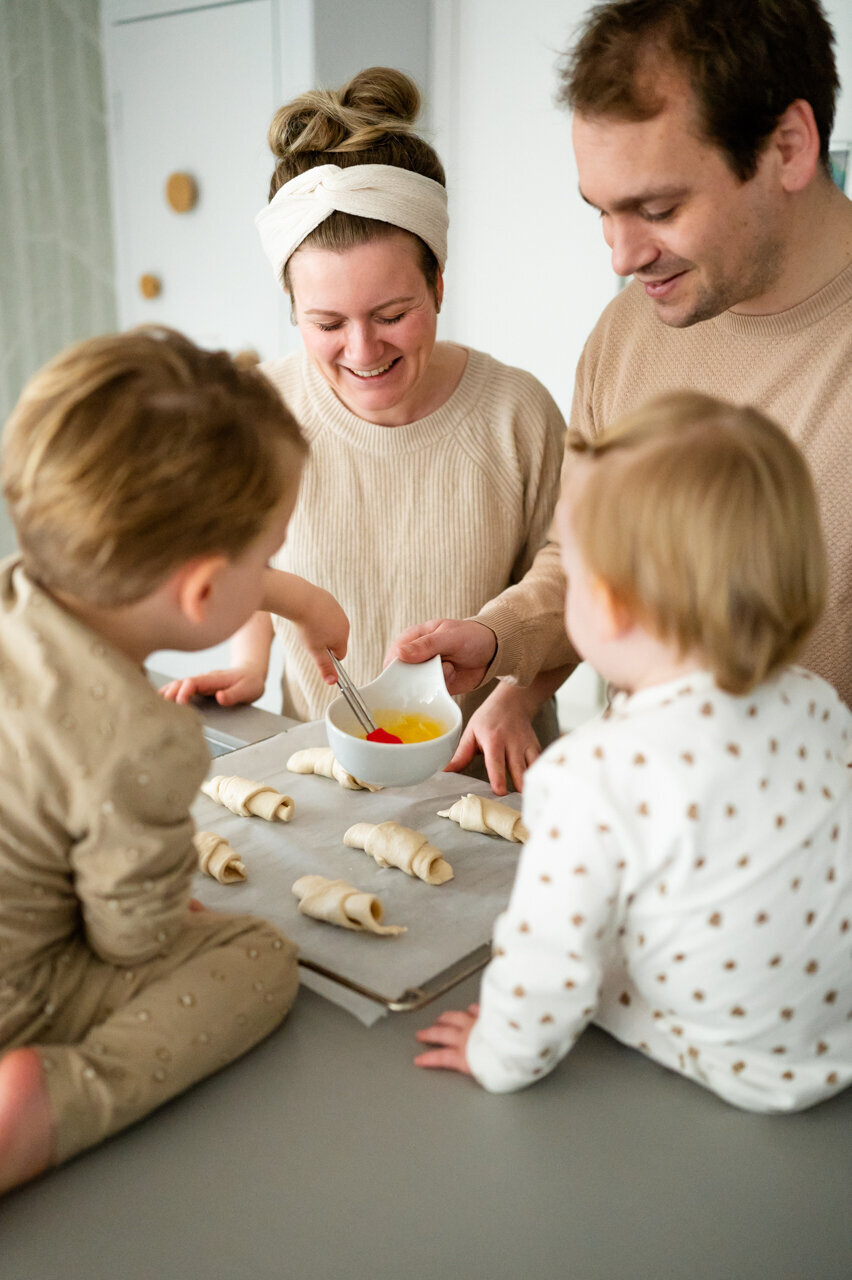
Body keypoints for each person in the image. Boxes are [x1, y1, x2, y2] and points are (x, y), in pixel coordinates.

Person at [392, 0, 852, 775]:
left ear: (789, 146)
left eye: (659, 209)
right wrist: (502, 636)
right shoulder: (628, 335)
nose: (621, 255)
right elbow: (588, 557)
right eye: (602, 212)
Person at [415, 391, 852, 1112]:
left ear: (608, 603)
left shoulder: (592, 774)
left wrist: (497, 1050)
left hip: (732, 1060)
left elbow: (548, 958)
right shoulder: (814, 700)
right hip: (832, 1032)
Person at [0, 326, 345, 1195]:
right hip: (18, 996)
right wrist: (160, 907)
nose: (268, 574)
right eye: (264, 558)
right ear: (200, 590)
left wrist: (290, 595)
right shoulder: (141, 739)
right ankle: (48, 1108)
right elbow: (132, 937)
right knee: (258, 962)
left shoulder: (18, 591)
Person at [161, 67, 567, 794]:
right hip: (320, 772)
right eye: (327, 323)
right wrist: (253, 661)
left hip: (484, 777)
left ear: (439, 283)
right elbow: (251, 552)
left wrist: (517, 696)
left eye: (391, 315)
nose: (362, 351)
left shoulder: (517, 414)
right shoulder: (266, 408)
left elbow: (576, 591)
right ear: (292, 308)